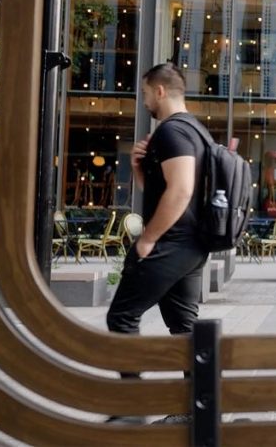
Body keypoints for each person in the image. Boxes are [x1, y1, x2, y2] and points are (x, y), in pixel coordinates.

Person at [105, 63, 210, 425]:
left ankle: (134, 406)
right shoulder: (197, 131)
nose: (145, 100)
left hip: (171, 243)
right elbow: (172, 190)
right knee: (184, 327)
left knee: (121, 316)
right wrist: (140, 172)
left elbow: (182, 190)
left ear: (160, 91)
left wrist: (148, 238)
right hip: (193, 245)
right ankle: (193, 412)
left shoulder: (171, 132)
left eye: (146, 93)